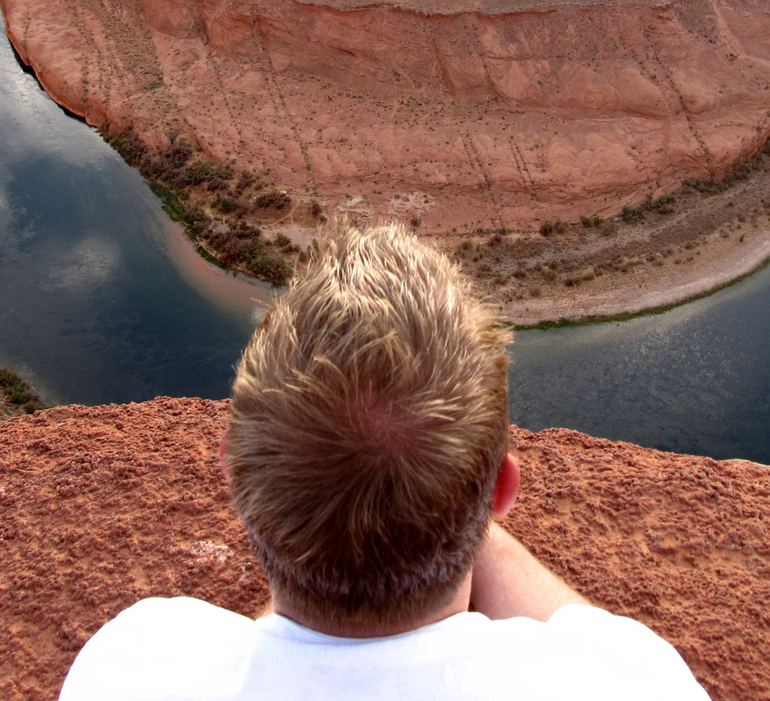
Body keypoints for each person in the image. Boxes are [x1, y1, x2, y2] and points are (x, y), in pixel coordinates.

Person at [60, 224, 709, 700]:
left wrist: (328, 512)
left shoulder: (132, 668)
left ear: (233, 471)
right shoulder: (632, 684)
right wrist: (453, 499)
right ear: (503, 488)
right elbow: (592, 644)